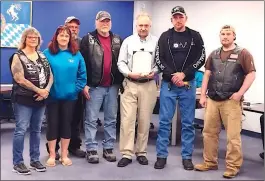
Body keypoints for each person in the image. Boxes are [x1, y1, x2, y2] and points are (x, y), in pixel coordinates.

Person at [194, 25, 256, 179]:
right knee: (209, 133)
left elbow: (251, 75)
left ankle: (232, 167)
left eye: (228, 34)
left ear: (234, 36)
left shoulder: (243, 53)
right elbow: (207, 75)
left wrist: (240, 93)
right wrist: (203, 95)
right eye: (222, 34)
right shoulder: (214, 54)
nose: (225, 37)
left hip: (231, 101)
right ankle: (209, 162)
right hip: (213, 99)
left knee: (232, 136)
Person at [154, 6, 206, 170]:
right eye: (175, 17)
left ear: (185, 18)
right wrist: (173, 76)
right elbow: (159, 59)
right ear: (172, 19)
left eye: (180, 17)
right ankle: (161, 156)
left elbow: (202, 57)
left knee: (188, 123)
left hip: (187, 86)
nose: (178, 20)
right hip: (169, 85)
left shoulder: (195, 36)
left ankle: (187, 157)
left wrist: (184, 74)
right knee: (164, 122)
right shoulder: (165, 37)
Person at [80, 11, 124, 164]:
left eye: (107, 21)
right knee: (91, 119)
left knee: (111, 118)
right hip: (94, 86)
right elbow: (82, 63)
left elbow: (123, 62)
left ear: (110, 23)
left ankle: (109, 147)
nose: (105, 24)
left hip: (113, 86)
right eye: (102, 21)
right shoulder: (88, 39)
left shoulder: (118, 39)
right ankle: (91, 148)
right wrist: (84, 83)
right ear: (96, 22)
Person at [116, 12, 159, 167]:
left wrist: (154, 72)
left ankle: (141, 152)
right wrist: (129, 73)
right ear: (136, 26)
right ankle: (127, 153)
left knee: (144, 120)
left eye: (146, 25)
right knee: (127, 120)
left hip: (148, 85)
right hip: (130, 84)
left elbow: (159, 63)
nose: (143, 28)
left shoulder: (156, 42)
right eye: (140, 25)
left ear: (150, 26)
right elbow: (121, 62)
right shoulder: (128, 41)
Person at [9, 27, 53, 175]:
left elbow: (50, 75)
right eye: (30, 37)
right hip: (23, 99)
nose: (33, 39)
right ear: (25, 39)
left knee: (36, 130)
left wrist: (46, 90)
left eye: (36, 37)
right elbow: (19, 79)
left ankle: (34, 159)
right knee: (21, 130)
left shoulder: (42, 55)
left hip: (40, 99)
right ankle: (18, 162)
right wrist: (38, 90)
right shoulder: (18, 56)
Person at [43, 25, 87, 167]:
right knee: (52, 125)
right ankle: (52, 155)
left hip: (70, 97)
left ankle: (64, 154)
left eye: (66, 36)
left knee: (66, 125)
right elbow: (41, 75)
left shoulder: (76, 54)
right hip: (52, 97)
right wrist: (46, 90)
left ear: (70, 38)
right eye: (61, 35)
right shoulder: (47, 53)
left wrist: (74, 90)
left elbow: (82, 76)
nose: (63, 38)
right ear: (56, 37)